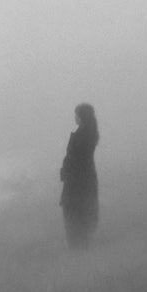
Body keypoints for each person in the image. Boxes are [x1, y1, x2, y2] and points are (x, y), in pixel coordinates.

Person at [60, 103, 99, 248]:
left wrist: (66, 171)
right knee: (83, 213)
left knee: (74, 214)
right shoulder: (89, 133)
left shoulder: (82, 135)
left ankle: (78, 249)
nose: (75, 117)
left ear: (81, 117)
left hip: (77, 181)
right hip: (85, 179)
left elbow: (74, 158)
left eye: (77, 114)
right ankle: (82, 247)